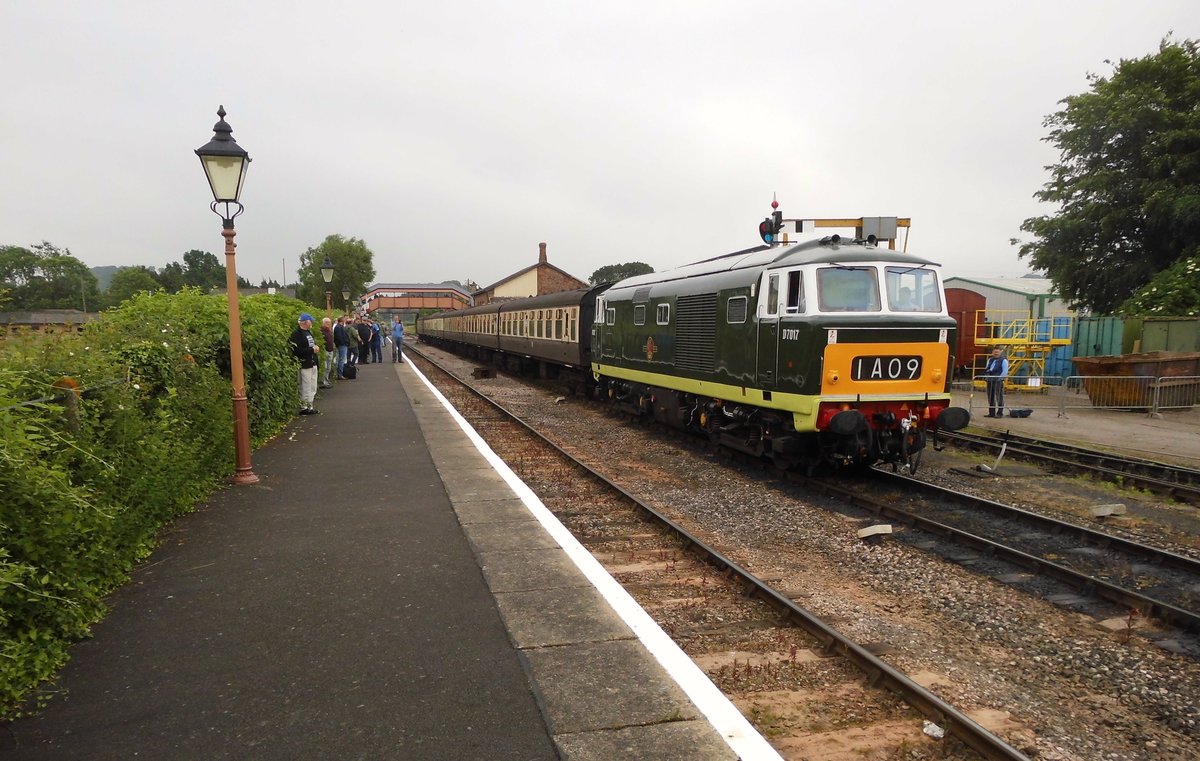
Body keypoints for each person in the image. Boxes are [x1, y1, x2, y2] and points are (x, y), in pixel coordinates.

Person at [290, 313, 320, 415]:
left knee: (312, 385)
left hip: (313, 362)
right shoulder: (297, 334)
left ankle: (310, 405)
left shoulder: (308, 332)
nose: (312, 323)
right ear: (305, 322)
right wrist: (311, 350)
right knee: (305, 385)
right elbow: (296, 350)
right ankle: (304, 406)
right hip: (305, 363)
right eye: (310, 321)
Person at [984, 347, 1009, 418]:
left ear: (1000, 352)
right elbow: (987, 368)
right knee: (990, 397)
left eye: (997, 352)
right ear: (992, 352)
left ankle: (999, 413)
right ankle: (991, 413)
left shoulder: (1004, 360)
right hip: (990, 380)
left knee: (999, 397)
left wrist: (1000, 379)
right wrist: (986, 376)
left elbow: (1005, 371)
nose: (996, 353)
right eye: (995, 352)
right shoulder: (990, 360)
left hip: (998, 381)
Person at [319, 317, 335, 389]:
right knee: (324, 367)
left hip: (330, 350)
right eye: (326, 322)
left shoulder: (329, 331)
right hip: (325, 350)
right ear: (323, 323)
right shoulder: (321, 330)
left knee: (328, 367)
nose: (328, 324)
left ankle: (326, 380)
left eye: (329, 322)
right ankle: (322, 382)